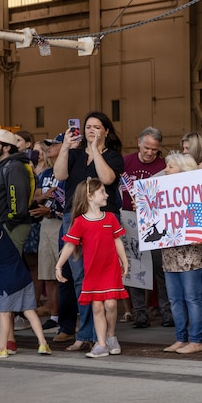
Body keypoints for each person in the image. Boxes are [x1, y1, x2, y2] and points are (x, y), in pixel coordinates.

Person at [53, 112, 125, 353]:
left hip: (103, 219)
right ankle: (85, 333)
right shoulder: (74, 154)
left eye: (96, 127)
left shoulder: (113, 156)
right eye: (88, 127)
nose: (91, 130)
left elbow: (107, 178)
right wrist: (65, 147)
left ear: (105, 130)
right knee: (80, 280)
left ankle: (102, 336)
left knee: (99, 277)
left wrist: (94, 149)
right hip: (74, 217)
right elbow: (60, 175)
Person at [55, 179, 129, 359]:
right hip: (92, 271)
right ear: (90, 196)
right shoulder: (79, 222)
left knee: (111, 304)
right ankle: (101, 344)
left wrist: (124, 260)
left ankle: (111, 336)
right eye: (102, 192)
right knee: (97, 307)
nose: (107, 195)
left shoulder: (110, 217)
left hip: (110, 268)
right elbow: (70, 245)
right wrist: (58, 265)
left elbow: (117, 240)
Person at [160, 152, 202, 355]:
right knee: (174, 298)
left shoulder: (198, 192)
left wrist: (201, 232)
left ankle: (196, 340)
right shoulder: (162, 193)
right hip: (170, 253)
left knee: (192, 298)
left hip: (192, 254)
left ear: (183, 170)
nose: (166, 170)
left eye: (170, 167)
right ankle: (181, 338)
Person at [0, 213, 51, 358]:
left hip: (8, 285)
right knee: (30, 311)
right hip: (25, 279)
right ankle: (43, 343)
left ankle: (1, 348)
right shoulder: (2, 232)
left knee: (4, 314)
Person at [121, 127, 168, 329]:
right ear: (139, 143)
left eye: (154, 150)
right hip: (129, 219)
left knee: (161, 268)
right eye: (147, 147)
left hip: (155, 221)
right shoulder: (125, 162)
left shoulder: (165, 166)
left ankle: (167, 311)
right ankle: (140, 312)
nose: (150, 152)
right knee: (135, 266)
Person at [0, 128, 35, 253]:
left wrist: (8, 224)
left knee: (10, 267)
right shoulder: (1, 167)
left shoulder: (14, 167)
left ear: (7, 148)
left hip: (12, 226)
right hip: (3, 225)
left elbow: (17, 199)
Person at [31, 135, 66, 327]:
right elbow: (35, 197)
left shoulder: (68, 172)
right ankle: (54, 316)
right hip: (45, 224)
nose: (49, 148)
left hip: (60, 222)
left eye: (53, 144)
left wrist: (51, 209)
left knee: (63, 273)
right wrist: (43, 196)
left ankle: (67, 316)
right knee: (49, 274)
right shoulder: (44, 174)